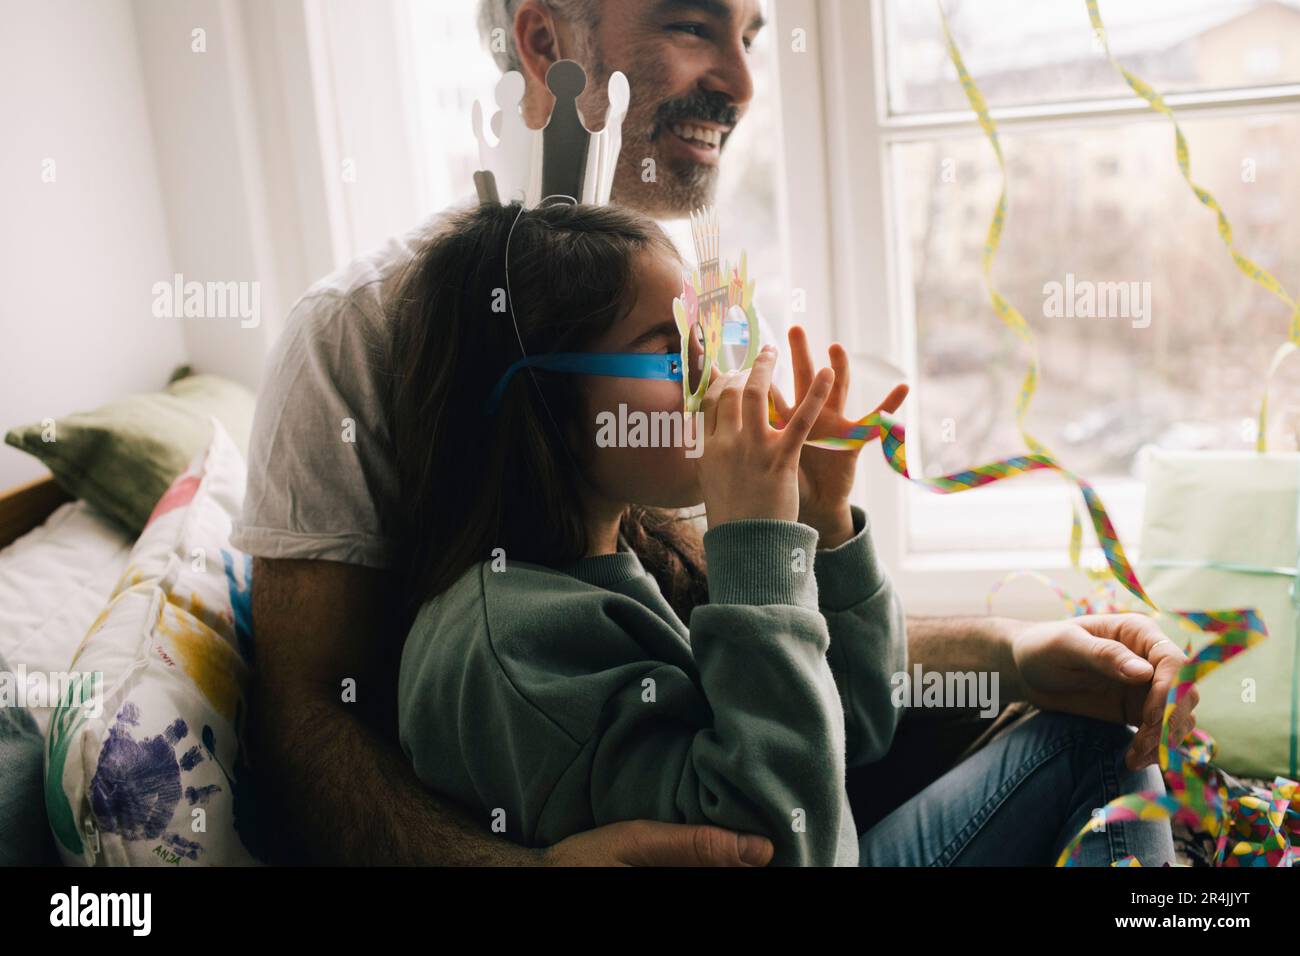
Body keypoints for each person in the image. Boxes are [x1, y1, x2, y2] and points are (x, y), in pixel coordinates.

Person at [233, 0, 1197, 865]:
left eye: (751, 36)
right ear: (544, 42)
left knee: (1082, 725)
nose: (741, 80)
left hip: (768, 785)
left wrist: (1005, 649)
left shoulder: (669, 288)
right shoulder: (369, 329)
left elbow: (750, 657)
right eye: (692, 26)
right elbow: (310, 720)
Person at [390, 198, 1177, 866]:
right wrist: (756, 549)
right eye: (672, 358)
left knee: (1094, 729)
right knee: (1087, 752)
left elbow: (853, 734)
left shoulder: (626, 556)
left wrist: (824, 524)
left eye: (714, 343)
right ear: (540, 405)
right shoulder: (510, 646)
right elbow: (779, 841)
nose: (720, 385)